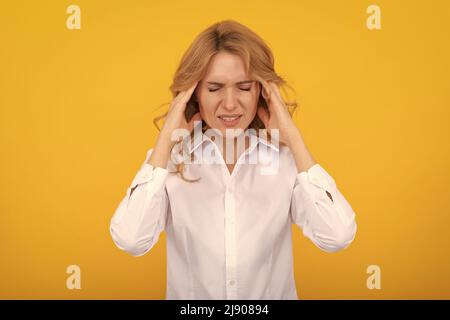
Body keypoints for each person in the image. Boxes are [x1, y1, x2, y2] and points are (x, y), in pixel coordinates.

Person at [109, 20, 357, 300]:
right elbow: (130, 240)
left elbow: (337, 236)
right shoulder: (167, 161)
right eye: (214, 88)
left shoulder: (287, 161)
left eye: (244, 87)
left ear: (262, 92)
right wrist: (166, 138)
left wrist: (294, 139)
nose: (229, 104)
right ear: (194, 93)